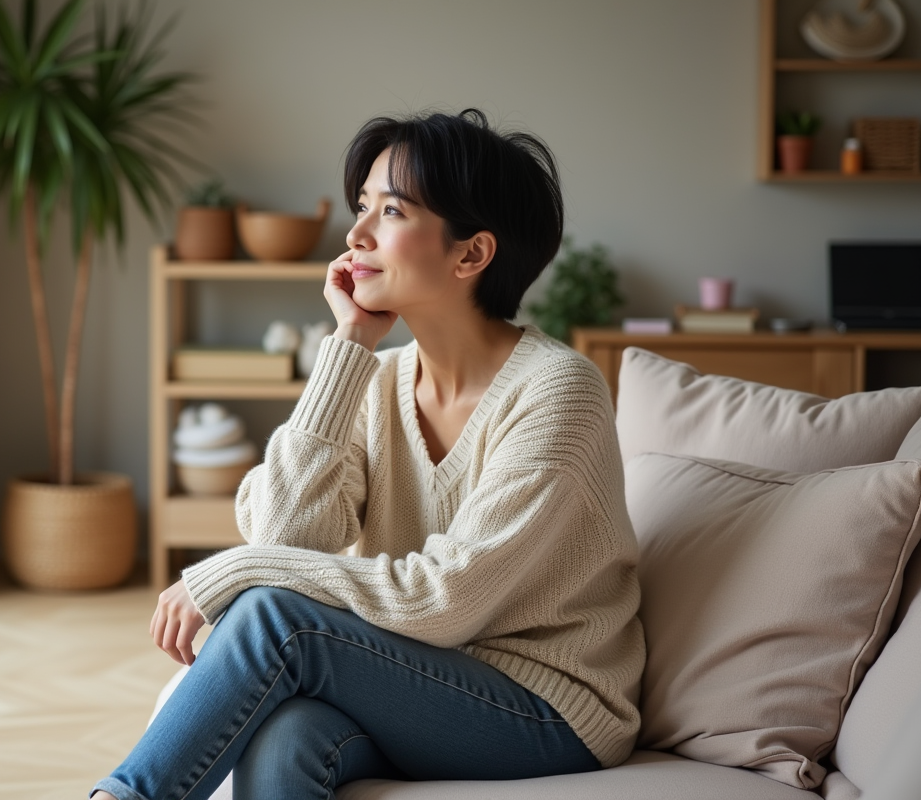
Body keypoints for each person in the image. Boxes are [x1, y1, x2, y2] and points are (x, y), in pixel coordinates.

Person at [89, 108, 645, 800]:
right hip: (418, 679)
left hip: (548, 708)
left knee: (275, 621)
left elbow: (444, 601)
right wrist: (349, 347)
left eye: (390, 211)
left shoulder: (558, 391)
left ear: (470, 254)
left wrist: (232, 571)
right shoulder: (378, 381)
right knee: (287, 736)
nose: (355, 235)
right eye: (362, 207)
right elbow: (286, 539)